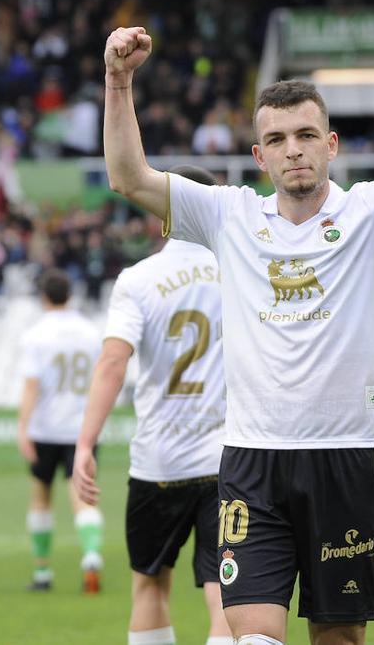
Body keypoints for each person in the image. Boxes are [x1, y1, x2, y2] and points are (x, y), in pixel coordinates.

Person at [101, 22, 374, 645]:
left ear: (331, 144)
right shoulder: (230, 215)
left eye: (305, 135)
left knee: (339, 638)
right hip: (252, 462)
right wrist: (118, 81)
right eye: (276, 139)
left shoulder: (371, 212)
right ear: (259, 156)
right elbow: (129, 177)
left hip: (343, 458)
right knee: (252, 638)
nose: (293, 149)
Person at [74, 165, 231, 645]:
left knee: (149, 585)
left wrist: (85, 444)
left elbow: (113, 362)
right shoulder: (241, 270)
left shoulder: (139, 279)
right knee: (226, 592)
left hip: (160, 461)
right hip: (231, 457)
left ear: (164, 215)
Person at [14, 268, 104, 593]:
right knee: (84, 498)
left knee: (41, 498)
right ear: (70, 294)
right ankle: (91, 556)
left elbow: (31, 386)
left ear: (44, 296)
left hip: (46, 428)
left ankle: (42, 573)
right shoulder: (91, 332)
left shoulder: (35, 335)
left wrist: (22, 427)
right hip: (82, 430)